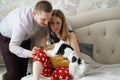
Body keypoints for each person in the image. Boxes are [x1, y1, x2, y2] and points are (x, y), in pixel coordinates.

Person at [0, 1, 53, 80]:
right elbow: (13, 46)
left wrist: (71, 32)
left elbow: (61, 18)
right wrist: (29, 53)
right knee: (14, 72)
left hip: (25, 38)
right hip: (7, 38)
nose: (46, 23)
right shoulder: (22, 23)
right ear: (34, 14)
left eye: (48, 19)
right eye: (43, 19)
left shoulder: (43, 12)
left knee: (23, 71)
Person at [32, 9, 81, 80]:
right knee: (39, 53)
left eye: (58, 23)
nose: (55, 26)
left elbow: (77, 56)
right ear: (49, 24)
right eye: (52, 23)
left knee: (63, 73)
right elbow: (43, 53)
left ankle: (54, 76)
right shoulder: (46, 37)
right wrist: (36, 50)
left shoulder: (70, 36)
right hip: (50, 67)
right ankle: (35, 79)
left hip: (64, 66)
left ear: (62, 23)